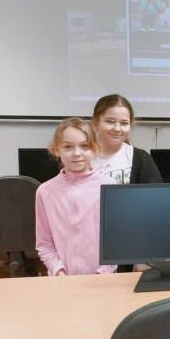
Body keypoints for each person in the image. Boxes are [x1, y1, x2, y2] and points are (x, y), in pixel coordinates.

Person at [35, 118, 117, 276]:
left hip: (102, 279)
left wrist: (103, 273)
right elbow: (44, 243)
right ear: (57, 149)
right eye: (68, 147)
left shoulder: (110, 187)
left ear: (93, 148)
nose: (77, 153)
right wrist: (58, 271)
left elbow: (116, 240)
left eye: (84, 146)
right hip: (61, 280)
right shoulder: (45, 192)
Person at [91, 94, 162, 185]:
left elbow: (156, 192)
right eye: (110, 121)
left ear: (131, 126)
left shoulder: (141, 159)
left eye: (124, 123)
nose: (117, 129)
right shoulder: (80, 156)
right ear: (95, 124)